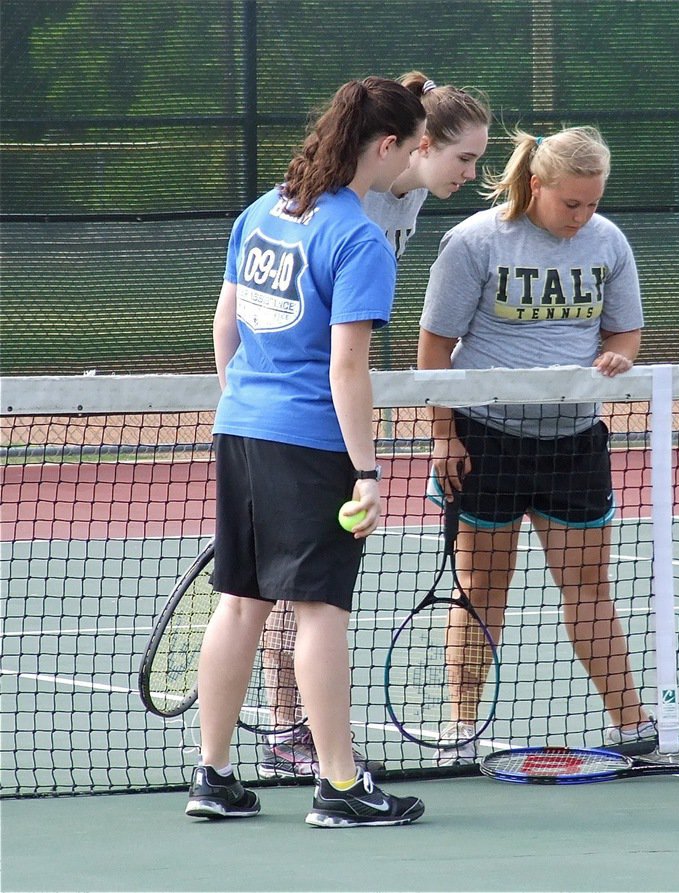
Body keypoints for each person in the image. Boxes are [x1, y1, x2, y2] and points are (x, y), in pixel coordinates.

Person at [185, 76, 429, 828]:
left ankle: (214, 778)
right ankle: (340, 785)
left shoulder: (263, 210)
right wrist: (367, 470)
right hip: (313, 444)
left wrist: (246, 402)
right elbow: (347, 368)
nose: (415, 161)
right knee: (322, 608)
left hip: (243, 427)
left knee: (241, 602)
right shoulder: (358, 236)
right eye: (414, 146)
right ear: (384, 146)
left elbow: (224, 326)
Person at [256, 71, 491, 780]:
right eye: (463, 158)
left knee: (289, 590)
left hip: (322, 396)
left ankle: (287, 738)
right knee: (294, 593)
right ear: (415, 145)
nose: (472, 174)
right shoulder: (330, 204)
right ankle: (287, 729)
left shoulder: (411, 193)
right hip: (298, 405)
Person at [418, 125, 655, 764]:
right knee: (480, 591)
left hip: (574, 441)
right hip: (485, 440)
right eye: (570, 203)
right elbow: (435, 349)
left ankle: (634, 729)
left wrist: (615, 357)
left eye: (593, 203)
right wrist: (444, 436)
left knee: (588, 589)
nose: (582, 217)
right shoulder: (472, 242)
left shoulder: (609, 243)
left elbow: (626, 333)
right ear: (535, 185)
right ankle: (459, 732)